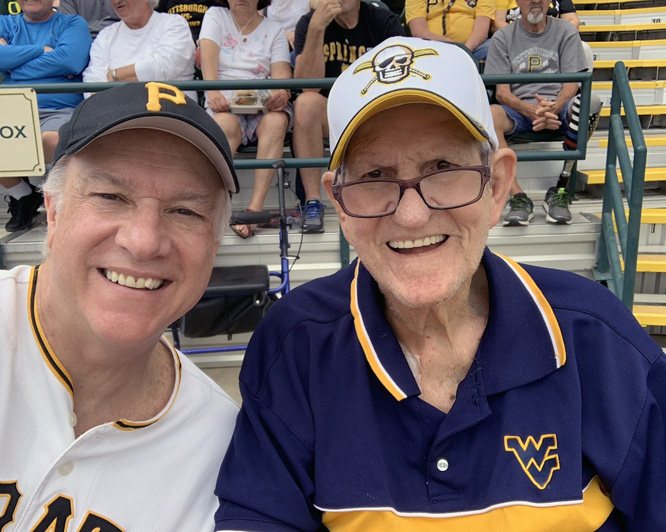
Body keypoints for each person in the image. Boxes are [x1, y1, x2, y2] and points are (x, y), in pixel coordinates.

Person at [213, 36, 666, 531]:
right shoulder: (295, 344)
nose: (411, 215)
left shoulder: (597, 336)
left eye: (444, 169)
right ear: (339, 204)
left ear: (496, 187)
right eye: (375, 175)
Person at [0, 81, 239, 530]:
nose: (143, 241)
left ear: (213, 244)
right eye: (111, 197)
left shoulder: (219, 440)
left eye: (185, 212)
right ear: (54, 212)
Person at [485, 0, 602, 226]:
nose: (535, 1)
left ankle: (560, 190)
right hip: (518, 109)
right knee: (489, 115)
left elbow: (572, 85)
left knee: (590, 104)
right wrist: (530, 110)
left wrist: (554, 107)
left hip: (559, 106)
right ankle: (517, 197)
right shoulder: (502, 37)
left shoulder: (566, 31)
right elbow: (501, 93)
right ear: (518, 1)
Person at [0, 0, 91, 232]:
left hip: (59, 108)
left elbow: (71, 60)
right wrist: (41, 50)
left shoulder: (71, 23)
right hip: (11, 109)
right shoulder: (5, 23)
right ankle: (23, 196)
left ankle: (63, 204)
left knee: (53, 140)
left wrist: (12, 63)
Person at [292, 0, 404, 234]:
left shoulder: (383, 21)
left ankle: (398, 194)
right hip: (331, 112)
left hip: (374, 111)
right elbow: (306, 85)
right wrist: (316, 30)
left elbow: (401, 79)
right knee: (305, 104)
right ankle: (313, 201)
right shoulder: (309, 23)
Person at [199, 0, 292, 239]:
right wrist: (213, 92)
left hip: (262, 105)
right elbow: (207, 59)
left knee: (277, 121)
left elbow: (282, 77)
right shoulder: (216, 16)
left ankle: (254, 211)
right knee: (223, 126)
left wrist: (281, 94)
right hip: (224, 101)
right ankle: (214, 210)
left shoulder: (274, 29)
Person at [83, 0, 196, 101]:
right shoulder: (105, 35)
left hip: (171, 112)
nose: (117, 1)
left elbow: (162, 67)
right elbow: (92, 81)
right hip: (119, 115)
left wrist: (114, 75)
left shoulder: (174, 24)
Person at [406, 0, 493, 62]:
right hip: (431, 49)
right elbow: (418, 31)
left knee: (492, 46)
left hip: (472, 49)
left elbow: (481, 31)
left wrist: (465, 50)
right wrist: (452, 47)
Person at [493, 0, 579, 32]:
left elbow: (572, 20)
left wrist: (554, 36)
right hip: (514, 40)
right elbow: (497, 22)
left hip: (554, 39)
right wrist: (519, 36)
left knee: (584, 48)